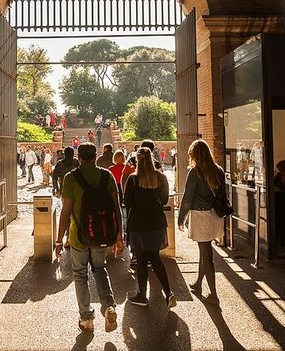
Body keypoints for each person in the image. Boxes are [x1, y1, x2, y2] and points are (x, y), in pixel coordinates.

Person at [55, 143, 124, 332]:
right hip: (102, 232)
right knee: (100, 269)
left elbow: (66, 211)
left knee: (80, 275)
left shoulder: (71, 178)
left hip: (78, 236)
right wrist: (119, 234)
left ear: (79, 157)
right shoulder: (106, 175)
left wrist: (59, 239)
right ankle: (109, 306)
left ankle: (86, 318)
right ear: (96, 156)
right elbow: (116, 207)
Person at [124, 147, 176, 308]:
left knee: (141, 260)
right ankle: (169, 293)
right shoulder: (161, 177)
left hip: (138, 223)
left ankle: (142, 296)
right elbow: (165, 199)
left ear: (137, 160)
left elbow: (127, 202)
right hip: (156, 222)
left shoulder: (133, 179)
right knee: (155, 258)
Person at [177, 139, 225, 306]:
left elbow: (187, 198)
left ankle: (214, 294)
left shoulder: (195, 172)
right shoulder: (218, 171)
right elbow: (222, 195)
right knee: (204, 251)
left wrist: (181, 218)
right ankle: (198, 283)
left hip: (199, 215)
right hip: (214, 216)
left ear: (195, 155)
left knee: (207, 255)